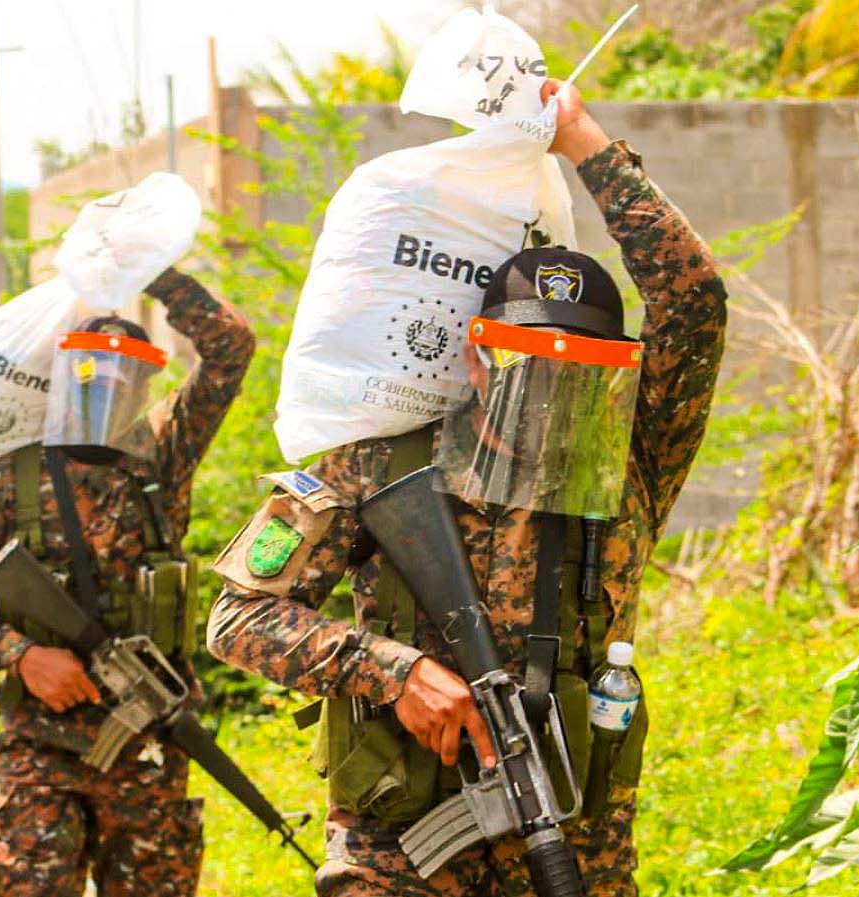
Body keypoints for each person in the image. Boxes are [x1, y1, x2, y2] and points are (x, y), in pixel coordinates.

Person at [206, 78, 728, 897]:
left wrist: (584, 142)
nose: (553, 388)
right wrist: (394, 672)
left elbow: (695, 300)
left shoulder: (635, 464)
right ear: (477, 359)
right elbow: (236, 618)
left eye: (580, 371)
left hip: (571, 863)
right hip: (399, 857)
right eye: (531, 363)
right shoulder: (381, 466)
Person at [0, 265, 255, 897]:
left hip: (149, 740)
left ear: (141, 386)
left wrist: (153, 270)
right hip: (40, 747)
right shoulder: (7, 480)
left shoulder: (164, 455)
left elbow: (230, 349)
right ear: (63, 379)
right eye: (89, 375)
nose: (104, 390)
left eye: (121, 378)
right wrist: (20, 656)